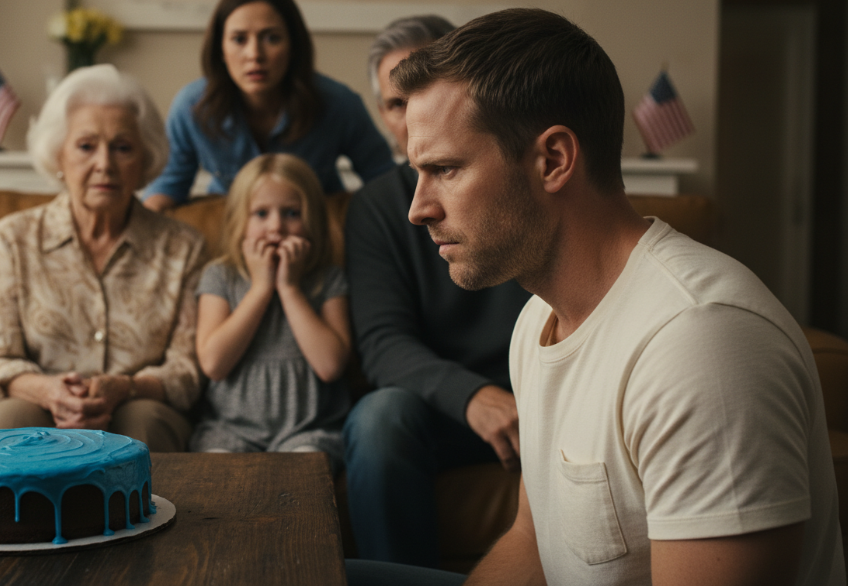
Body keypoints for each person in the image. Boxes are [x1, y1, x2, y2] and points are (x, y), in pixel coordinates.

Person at [352, 7, 846, 585]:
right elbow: (532, 543)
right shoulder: (538, 321)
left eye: (445, 169)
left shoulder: (702, 344)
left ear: (553, 160)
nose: (418, 208)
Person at [342, 14, 533, 569]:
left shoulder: (511, 182)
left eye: (424, 91)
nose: (411, 116)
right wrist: (472, 397)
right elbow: (382, 342)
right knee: (379, 417)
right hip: (441, 409)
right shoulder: (380, 208)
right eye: (395, 103)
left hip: (541, 388)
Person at [0, 64, 206, 453]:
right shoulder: (13, 239)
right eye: (86, 146)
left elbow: (186, 371)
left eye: (122, 147)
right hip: (34, 402)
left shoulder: (183, 247)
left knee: (144, 421)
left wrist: (125, 388)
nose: (105, 164)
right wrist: (48, 391)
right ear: (58, 155)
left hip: (137, 404)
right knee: (10, 422)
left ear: (145, 159)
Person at [139, 0, 395, 212]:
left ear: (293, 46)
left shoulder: (339, 104)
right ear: (220, 49)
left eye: (271, 38)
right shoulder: (191, 107)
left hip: (316, 237)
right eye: (239, 39)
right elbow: (168, 186)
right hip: (228, 229)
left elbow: (385, 183)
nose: (254, 54)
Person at [189, 153, 351, 471]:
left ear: (312, 220)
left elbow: (330, 366)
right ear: (240, 222)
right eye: (261, 213)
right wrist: (261, 289)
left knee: (302, 473)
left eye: (291, 213)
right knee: (215, 478)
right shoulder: (220, 276)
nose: (276, 226)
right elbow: (213, 363)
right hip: (229, 432)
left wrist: (289, 289)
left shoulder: (327, 279)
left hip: (308, 431)